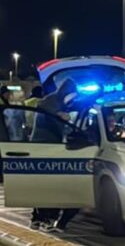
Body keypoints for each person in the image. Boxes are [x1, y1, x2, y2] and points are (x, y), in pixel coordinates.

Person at [30, 79, 80, 232]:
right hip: (42, 148)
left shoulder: (61, 103)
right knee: (47, 185)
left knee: (48, 185)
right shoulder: (52, 100)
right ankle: (42, 217)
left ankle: (42, 217)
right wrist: (61, 114)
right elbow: (44, 107)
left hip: (54, 148)